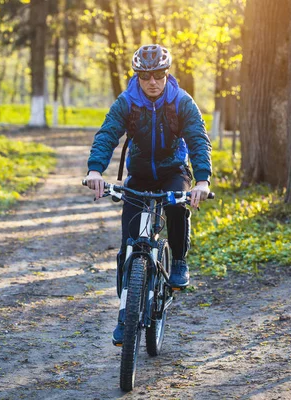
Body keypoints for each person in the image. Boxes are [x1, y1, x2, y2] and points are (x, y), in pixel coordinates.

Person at [85, 44, 212, 346]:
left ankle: (178, 261)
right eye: (145, 76)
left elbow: (197, 139)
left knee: (177, 207)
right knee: (129, 244)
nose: (152, 82)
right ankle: (124, 316)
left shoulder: (182, 102)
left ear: (167, 74)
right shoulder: (127, 102)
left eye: (158, 75)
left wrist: (203, 180)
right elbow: (107, 134)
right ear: (137, 77)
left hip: (173, 171)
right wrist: (94, 170)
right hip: (139, 175)